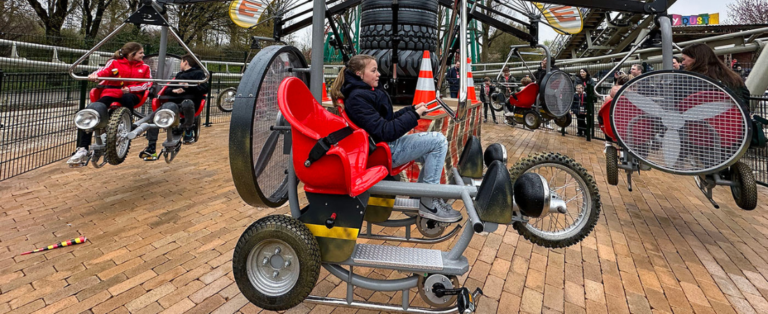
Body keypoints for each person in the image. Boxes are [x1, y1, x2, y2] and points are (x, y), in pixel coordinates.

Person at [331, 54, 461, 223]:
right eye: (373, 70)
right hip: (382, 150)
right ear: (359, 74)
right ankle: (429, 203)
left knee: (434, 148)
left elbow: (386, 119)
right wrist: (414, 115)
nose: (378, 74)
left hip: (384, 145)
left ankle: (420, 198)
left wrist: (413, 109)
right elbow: (386, 131)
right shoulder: (357, 99)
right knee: (438, 142)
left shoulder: (364, 93)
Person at [67, 42, 151, 166]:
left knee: (127, 97)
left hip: (132, 94)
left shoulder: (144, 68)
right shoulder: (115, 63)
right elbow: (104, 71)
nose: (143, 55)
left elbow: (147, 83)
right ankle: (83, 148)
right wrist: (96, 75)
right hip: (112, 92)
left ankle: (127, 121)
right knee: (92, 112)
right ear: (131, 54)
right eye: (140, 53)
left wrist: (130, 89)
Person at [140, 54, 209, 160]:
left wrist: (188, 87)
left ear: (185, 62)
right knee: (158, 115)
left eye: (181, 62)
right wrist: (174, 90)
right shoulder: (179, 75)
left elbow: (204, 89)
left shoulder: (199, 74)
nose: (180, 64)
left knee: (187, 103)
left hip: (188, 103)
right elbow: (167, 89)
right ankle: (151, 148)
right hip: (174, 103)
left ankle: (187, 127)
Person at [682, 43, 751, 112]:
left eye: (684, 59)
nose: (682, 63)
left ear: (695, 59)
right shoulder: (731, 76)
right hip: (734, 118)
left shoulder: (692, 79)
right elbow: (745, 97)